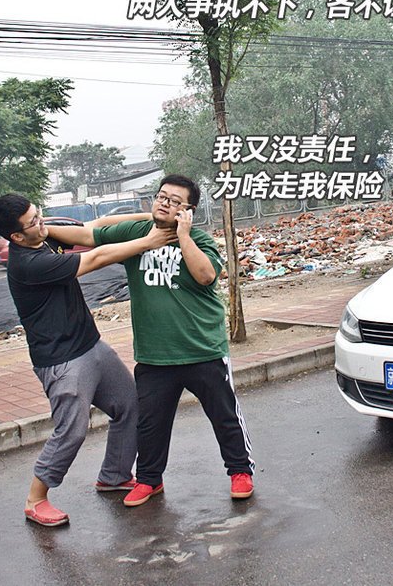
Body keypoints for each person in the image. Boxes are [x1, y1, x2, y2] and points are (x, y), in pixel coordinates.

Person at [47, 175, 254, 507]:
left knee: (224, 416)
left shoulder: (201, 240)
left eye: (174, 201)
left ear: (189, 210)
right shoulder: (136, 234)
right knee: (151, 424)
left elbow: (205, 276)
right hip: (155, 356)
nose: (164, 203)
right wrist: (44, 231)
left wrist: (183, 236)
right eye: (161, 196)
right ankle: (148, 480)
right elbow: (88, 235)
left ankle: (240, 471)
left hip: (203, 350)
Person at [0, 193, 176, 526]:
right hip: (61, 361)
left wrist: (150, 219)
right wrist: (148, 242)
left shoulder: (44, 234)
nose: (41, 222)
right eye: (33, 222)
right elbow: (94, 259)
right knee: (72, 431)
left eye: (38, 213)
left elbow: (97, 228)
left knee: (130, 405)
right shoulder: (28, 264)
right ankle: (36, 499)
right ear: (16, 236)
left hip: (92, 346)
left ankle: (114, 475)